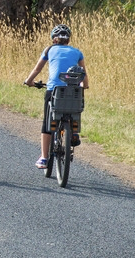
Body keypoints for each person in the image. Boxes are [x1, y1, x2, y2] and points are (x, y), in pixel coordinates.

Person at [24, 24, 89, 169]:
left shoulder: (49, 50)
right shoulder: (77, 52)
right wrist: (85, 86)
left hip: (54, 90)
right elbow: (83, 72)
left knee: (47, 122)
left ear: (54, 39)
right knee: (75, 109)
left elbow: (37, 69)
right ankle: (73, 132)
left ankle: (44, 158)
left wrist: (29, 82)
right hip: (73, 90)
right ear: (68, 40)